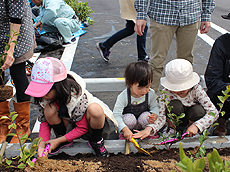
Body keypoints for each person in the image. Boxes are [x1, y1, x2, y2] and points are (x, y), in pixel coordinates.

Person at [25, 57, 118, 157]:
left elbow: (83, 128)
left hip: (89, 127)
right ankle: (63, 140)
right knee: (49, 110)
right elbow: (44, 122)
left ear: (58, 87)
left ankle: (96, 141)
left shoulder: (74, 96)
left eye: (46, 92)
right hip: (69, 126)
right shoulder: (45, 99)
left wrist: (57, 141)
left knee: (96, 110)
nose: (43, 95)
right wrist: (42, 143)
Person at [134, 0, 215, 93]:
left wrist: (206, 16)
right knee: (156, 61)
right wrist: (141, 15)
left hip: (190, 13)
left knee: (186, 62)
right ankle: (149, 99)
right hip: (162, 13)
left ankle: (184, 99)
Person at [0, 0, 36, 143]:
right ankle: (3, 124)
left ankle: (22, 126)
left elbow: (16, 17)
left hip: (17, 32)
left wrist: (10, 49)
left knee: (18, 73)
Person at [159, 59, 218, 137]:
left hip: (191, 118)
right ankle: (171, 129)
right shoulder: (166, 92)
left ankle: (190, 129)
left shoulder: (197, 90)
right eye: (174, 88)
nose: (177, 91)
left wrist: (197, 125)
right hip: (175, 118)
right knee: (174, 105)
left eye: (181, 89)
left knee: (198, 110)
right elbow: (161, 115)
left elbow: (214, 112)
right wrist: (151, 129)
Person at [113, 61, 165, 141]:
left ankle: (147, 133)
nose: (144, 91)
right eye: (139, 88)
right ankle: (125, 134)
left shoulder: (150, 93)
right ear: (130, 83)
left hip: (142, 121)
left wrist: (154, 114)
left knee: (146, 116)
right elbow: (116, 115)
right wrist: (124, 129)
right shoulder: (123, 96)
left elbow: (154, 106)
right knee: (129, 119)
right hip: (129, 123)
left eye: (147, 86)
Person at [205, 17, 230, 136]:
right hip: (226, 96)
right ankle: (221, 121)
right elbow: (212, 80)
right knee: (216, 92)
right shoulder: (222, 43)